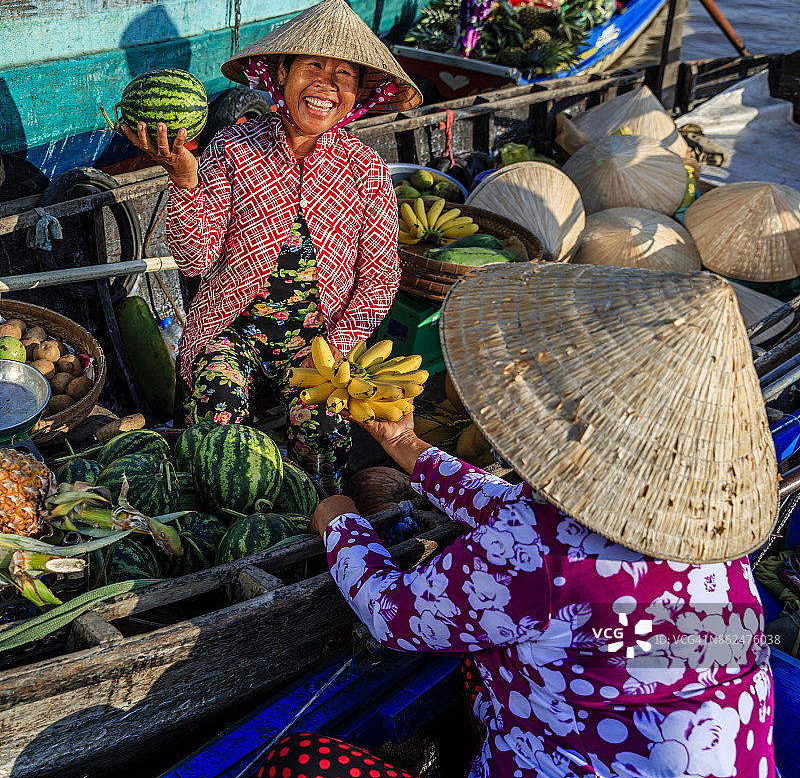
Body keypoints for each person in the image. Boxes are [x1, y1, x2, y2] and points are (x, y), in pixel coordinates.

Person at [268, 263, 777, 778]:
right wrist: (408, 447)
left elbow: (394, 615)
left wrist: (341, 523)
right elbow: (517, 510)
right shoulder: (710, 538)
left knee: (298, 762)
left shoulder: (543, 557)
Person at [122, 0, 421, 492]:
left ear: (357, 93)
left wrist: (334, 347)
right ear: (281, 74)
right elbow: (196, 260)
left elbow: (380, 277)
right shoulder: (233, 149)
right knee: (216, 417)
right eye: (312, 67)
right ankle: (214, 507)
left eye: (343, 75)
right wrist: (185, 180)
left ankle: (317, 511)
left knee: (324, 434)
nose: (326, 85)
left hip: (318, 342)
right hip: (230, 333)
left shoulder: (366, 169)